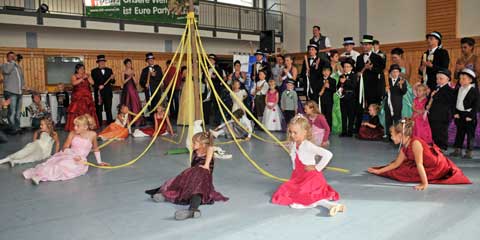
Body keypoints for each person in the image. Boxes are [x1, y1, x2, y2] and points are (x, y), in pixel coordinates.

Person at [368, 119, 471, 190]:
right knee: (398, 169)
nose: (391, 137)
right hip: (424, 165)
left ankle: (424, 179)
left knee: (402, 172)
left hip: (435, 167)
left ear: (400, 135)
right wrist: (379, 171)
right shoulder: (405, 145)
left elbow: (419, 164)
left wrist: (424, 183)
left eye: (392, 135)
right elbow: (396, 163)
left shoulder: (415, 143)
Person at [144, 132, 228, 220]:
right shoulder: (196, 151)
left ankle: (193, 210)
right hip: (194, 175)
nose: (192, 144)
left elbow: (210, 148)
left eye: (194, 143)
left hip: (203, 179)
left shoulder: (208, 151)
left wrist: (206, 165)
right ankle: (163, 193)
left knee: (197, 189)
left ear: (203, 145)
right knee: (181, 180)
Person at [271, 115, 344, 216]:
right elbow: (291, 148)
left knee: (299, 194)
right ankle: (331, 206)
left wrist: (316, 168)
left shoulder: (308, 145)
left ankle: (329, 205)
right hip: (299, 177)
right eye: (290, 132)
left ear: (304, 132)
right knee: (287, 189)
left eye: (295, 133)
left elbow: (328, 154)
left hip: (311, 177)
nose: (292, 135)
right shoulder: (294, 143)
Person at [23, 114, 110, 184]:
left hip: (80, 160)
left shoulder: (93, 135)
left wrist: (99, 162)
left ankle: (40, 177)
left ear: (85, 127)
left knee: (63, 166)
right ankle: (38, 174)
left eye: (78, 126)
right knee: (55, 163)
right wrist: (70, 154)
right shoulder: (72, 133)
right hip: (69, 154)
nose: (75, 128)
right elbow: (65, 147)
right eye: (75, 125)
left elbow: (96, 148)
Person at [450, 69, 478, 159]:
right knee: (459, 132)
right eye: (460, 78)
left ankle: (469, 151)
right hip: (459, 114)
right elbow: (454, 102)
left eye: (464, 79)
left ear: (470, 80)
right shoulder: (458, 89)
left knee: (470, 134)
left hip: (469, 114)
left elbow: (476, 105)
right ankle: (457, 149)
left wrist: (471, 116)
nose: (461, 80)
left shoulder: (474, 91)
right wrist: (455, 112)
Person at [427, 69, 455, 151]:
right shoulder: (436, 88)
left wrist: (434, 96)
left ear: (448, 79)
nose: (438, 80)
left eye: (441, 78)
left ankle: (442, 146)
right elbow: (430, 99)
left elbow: (447, 100)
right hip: (433, 114)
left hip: (442, 115)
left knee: (441, 132)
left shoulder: (449, 90)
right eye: (437, 78)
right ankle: (435, 146)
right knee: (434, 131)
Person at [65, 64, 99, 131]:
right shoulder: (74, 76)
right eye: (80, 69)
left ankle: (88, 125)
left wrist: (89, 77)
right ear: (77, 70)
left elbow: (92, 83)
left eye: (83, 69)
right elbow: (74, 83)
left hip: (87, 96)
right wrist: (82, 78)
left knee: (88, 110)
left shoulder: (87, 75)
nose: (82, 70)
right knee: (76, 110)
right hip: (78, 96)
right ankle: (77, 126)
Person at [355, 34, 386, 106]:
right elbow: (357, 70)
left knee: (373, 107)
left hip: (373, 88)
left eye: (366, 45)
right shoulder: (359, 57)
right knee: (360, 107)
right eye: (363, 45)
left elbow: (380, 70)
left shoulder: (377, 57)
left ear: (371, 45)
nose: (364, 46)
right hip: (362, 87)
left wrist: (371, 68)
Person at [1, 51, 25, 133]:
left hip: (19, 92)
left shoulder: (18, 67)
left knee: (18, 112)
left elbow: (22, 78)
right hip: (10, 92)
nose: (12, 57)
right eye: (10, 56)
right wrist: (13, 62)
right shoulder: (4, 65)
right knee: (12, 111)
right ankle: (12, 128)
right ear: (7, 58)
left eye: (13, 56)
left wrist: (23, 87)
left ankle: (17, 127)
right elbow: (7, 71)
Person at [390, 47, 415, 119]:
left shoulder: (406, 63)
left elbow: (408, 76)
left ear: (400, 55)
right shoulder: (393, 64)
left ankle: (405, 123)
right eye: (392, 58)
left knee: (405, 106)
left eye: (395, 57)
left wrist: (398, 73)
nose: (394, 59)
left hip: (404, 85)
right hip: (395, 86)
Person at [384, 64, 407, 138]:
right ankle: (388, 135)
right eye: (393, 72)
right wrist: (385, 91)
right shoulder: (387, 81)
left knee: (397, 120)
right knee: (388, 119)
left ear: (399, 73)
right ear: (390, 73)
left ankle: (397, 135)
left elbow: (404, 91)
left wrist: (400, 86)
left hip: (397, 103)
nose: (395, 73)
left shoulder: (402, 81)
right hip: (388, 103)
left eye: (397, 72)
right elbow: (381, 91)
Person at [91, 55, 115, 126]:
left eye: (103, 62)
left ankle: (110, 123)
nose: (102, 63)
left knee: (108, 109)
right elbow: (92, 83)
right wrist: (98, 86)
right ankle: (99, 124)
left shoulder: (109, 70)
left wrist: (113, 78)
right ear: (98, 62)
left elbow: (113, 82)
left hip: (108, 93)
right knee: (98, 109)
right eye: (100, 62)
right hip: (99, 94)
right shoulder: (94, 71)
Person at [121, 58, 144, 126]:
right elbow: (123, 82)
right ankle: (127, 120)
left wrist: (133, 76)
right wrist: (129, 77)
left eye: (130, 63)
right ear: (125, 65)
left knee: (135, 103)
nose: (129, 65)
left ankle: (136, 120)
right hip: (127, 90)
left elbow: (136, 83)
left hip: (133, 90)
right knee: (127, 103)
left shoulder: (133, 71)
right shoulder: (123, 72)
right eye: (128, 63)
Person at [140, 53, 163, 118]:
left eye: (152, 59)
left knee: (157, 104)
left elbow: (161, 77)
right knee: (150, 104)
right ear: (147, 61)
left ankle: (158, 117)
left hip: (156, 90)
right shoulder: (144, 70)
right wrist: (145, 84)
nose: (151, 61)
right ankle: (151, 118)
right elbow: (141, 80)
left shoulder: (158, 68)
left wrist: (154, 76)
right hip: (149, 90)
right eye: (149, 60)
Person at [338, 59, 357, 137]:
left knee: (351, 115)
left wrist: (345, 81)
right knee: (344, 115)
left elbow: (354, 86)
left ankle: (350, 131)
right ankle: (344, 131)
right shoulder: (341, 76)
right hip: (342, 98)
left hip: (351, 98)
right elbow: (338, 86)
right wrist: (339, 89)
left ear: (351, 68)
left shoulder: (354, 76)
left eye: (348, 66)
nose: (346, 68)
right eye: (345, 66)